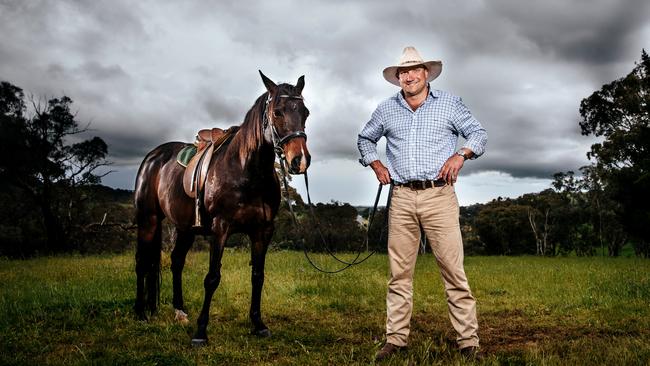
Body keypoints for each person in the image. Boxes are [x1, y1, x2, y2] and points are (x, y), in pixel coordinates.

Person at [357, 46, 487, 361]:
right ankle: (396, 340)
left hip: (439, 196)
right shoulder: (386, 109)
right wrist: (376, 164)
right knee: (399, 274)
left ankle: (468, 342)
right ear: (397, 77)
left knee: (453, 271)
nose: (409, 76)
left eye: (415, 70)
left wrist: (461, 154)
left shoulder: (450, 104)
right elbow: (365, 139)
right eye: (403, 72)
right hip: (401, 197)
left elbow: (478, 134)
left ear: (426, 73)